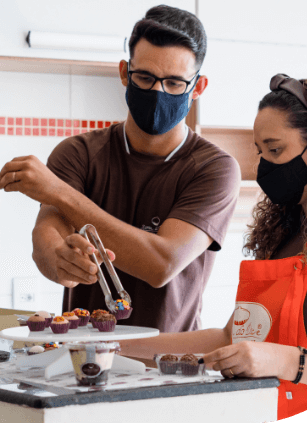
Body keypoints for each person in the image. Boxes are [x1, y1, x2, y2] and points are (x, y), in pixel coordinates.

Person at [117, 74, 307, 420]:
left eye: (275, 149)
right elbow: (229, 338)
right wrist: (110, 349)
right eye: (260, 151)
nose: (264, 166)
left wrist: (284, 361)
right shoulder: (287, 228)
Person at [0, 5, 241, 332]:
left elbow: (162, 263)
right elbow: (46, 240)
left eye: (173, 83)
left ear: (197, 88)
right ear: (125, 73)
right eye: (145, 77)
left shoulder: (215, 169)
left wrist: (59, 192)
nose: (158, 92)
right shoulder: (78, 153)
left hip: (168, 368)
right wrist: (59, 261)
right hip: (82, 362)